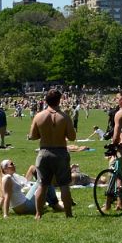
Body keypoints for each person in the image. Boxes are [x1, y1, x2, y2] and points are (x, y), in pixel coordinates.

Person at [28, 88, 76, 219]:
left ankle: (38, 214)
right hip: (60, 152)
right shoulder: (65, 117)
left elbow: (32, 136)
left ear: (46, 100)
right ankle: (69, 214)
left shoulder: (39, 116)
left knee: (42, 185)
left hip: (44, 152)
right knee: (64, 185)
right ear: (59, 100)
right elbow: (72, 137)